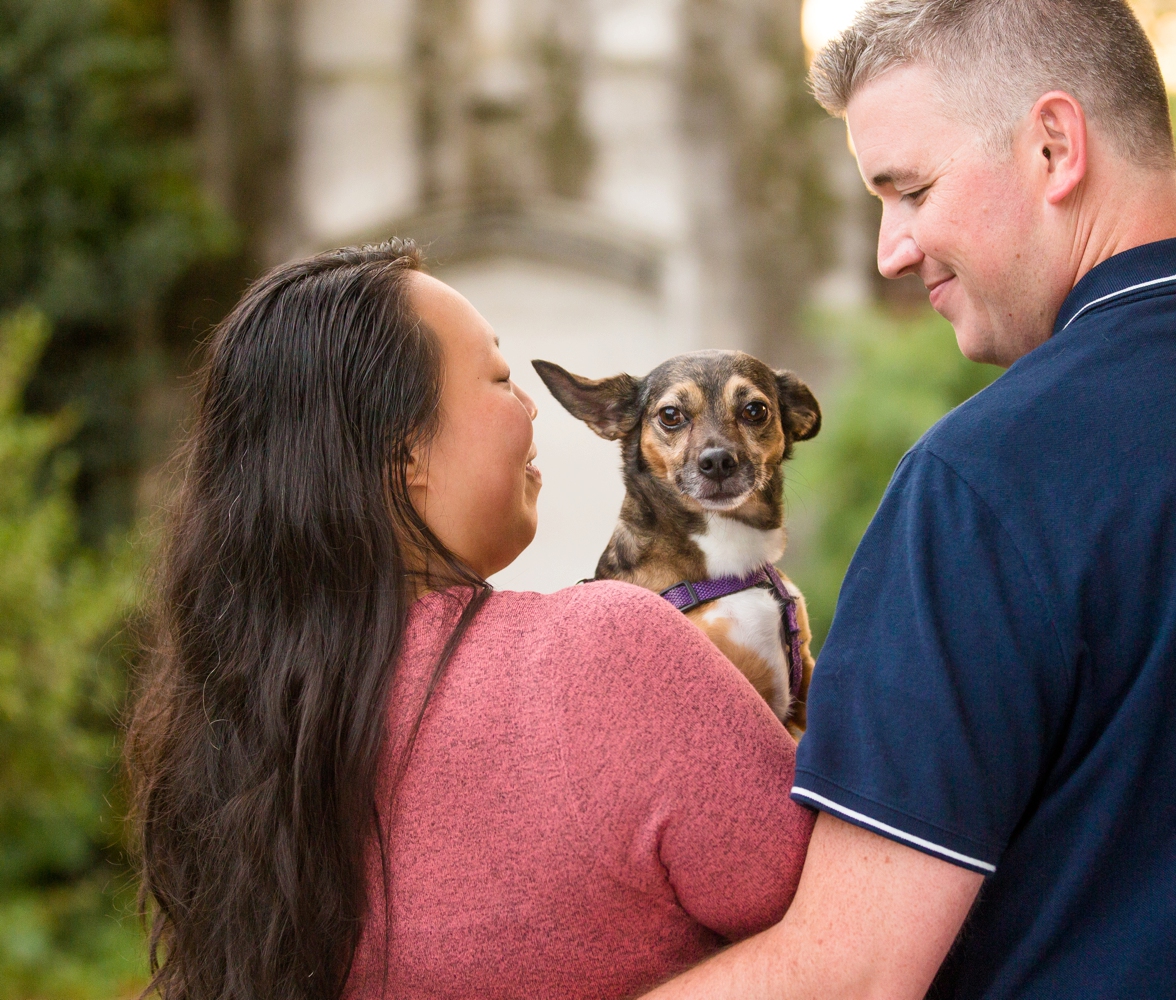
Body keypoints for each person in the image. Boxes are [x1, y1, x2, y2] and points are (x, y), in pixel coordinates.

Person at [643, 1, 1176, 998]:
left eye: (911, 190)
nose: (893, 247)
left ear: (1055, 145)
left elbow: (852, 974)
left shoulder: (982, 484)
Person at [124, 241, 813, 1000]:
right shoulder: (609, 650)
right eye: (501, 379)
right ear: (405, 451)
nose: (528, 410)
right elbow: (861, 929)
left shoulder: (252, 734)